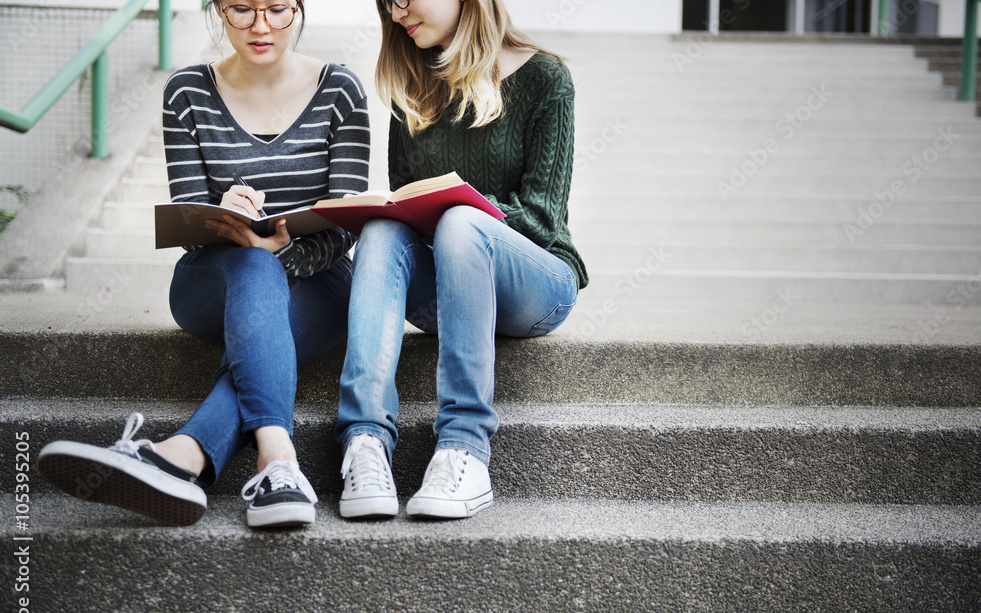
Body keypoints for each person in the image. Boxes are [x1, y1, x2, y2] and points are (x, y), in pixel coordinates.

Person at [37, 0, 370, 529]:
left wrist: (285, 251)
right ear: (217, 9)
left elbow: (348, 222)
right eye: (241, 9)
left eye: (278, 9)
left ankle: (179, 457)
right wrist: (227, 211)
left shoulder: (341, 91)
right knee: (254, 267)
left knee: (266, 277)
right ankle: (279, 462)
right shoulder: (188, 92)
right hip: (213, 281)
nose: (261, 26)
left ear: (299, 9)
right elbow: (189, 222)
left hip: (321, 283)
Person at [335, 0, 587, 520]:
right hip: (449, 285)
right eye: (386, 2)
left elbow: (541, 218)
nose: (396, 11)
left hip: (536, 283)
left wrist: (461, 209)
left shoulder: (545, 78)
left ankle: (465, 448)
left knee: (459, 222)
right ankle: (364, 444)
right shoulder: (414, 82)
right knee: (383, 227)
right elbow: (405, 205)